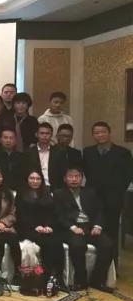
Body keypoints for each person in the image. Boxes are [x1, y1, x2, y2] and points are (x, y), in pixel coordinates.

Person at [54, 167, 114, 292]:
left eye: (77, 176)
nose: (74, 179)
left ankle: (98, 280)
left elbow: (100, 211)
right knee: (78, 245)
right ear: (65, 179)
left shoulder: (90, 192)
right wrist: (73, 228)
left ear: (82, 179)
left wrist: (98, 226)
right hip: (71, 228)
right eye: (71, 176)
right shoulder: (59, 194)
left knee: (107, 244)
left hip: (90, 227)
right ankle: (81, 281)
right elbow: (59, 216)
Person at [82, 121, 133, 268]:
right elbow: (87, 173)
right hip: (93, 199)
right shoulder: (88, 152)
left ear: (109, 133)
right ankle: (93, 267)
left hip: (113, 199)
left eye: (103, 132)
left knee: (111, 234)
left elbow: (127, 175)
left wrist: (116, 191)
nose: (100, 135)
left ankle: (112, 267)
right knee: (92, 231)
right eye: (96, 133)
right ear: (93, 135)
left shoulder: (123, 153)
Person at [15, 170, 65, 286]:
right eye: (32, 178)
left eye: (38, 179)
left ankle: (58, 277)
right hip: (27, 228)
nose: (35, 181)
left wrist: (49, 226)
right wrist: (35, 227)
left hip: (44, 227)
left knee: (57, 241)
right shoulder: (21, 193)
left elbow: (52, 213)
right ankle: (45, 277)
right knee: (47, 242)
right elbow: (20, 215)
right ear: (27, 180)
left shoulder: (47, 193)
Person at [49, 124, 83, 190]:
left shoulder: (76, 153)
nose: (66, 139)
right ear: (57, 136)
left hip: (71, 187)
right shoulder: (50, 151)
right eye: (63, 136)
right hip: (53, 187)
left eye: (69, 136)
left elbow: (79, 171)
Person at [24, 122, 56, 188]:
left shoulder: (58, 152)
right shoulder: (28, 153)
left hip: (54, 188)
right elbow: (25, 173)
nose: (44, 136)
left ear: (51, 135)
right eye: (42, 133)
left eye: (47, 133)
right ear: (36, 134)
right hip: (34, 187)